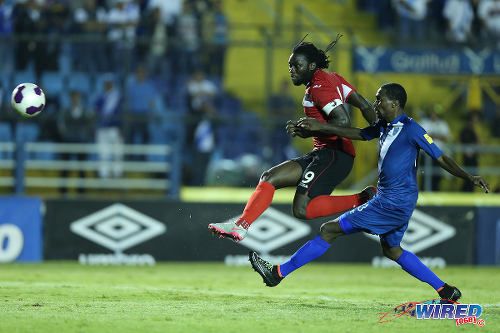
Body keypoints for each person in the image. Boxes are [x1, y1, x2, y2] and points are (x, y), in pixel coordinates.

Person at [249, 83, 490, 303]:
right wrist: (320, 128)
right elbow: (359, 134)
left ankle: (277, 273)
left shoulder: (411, 129)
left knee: (328, 229)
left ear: (394, 103)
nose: (375, 104)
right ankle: (446, 290)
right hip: (396, 200)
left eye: (379, 99)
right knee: (392, 250)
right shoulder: (383, 126)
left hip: (392, 201)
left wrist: (469, 177)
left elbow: (442, 158)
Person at [208, 35, 377, 242]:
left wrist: (314, 127)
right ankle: (241, 226)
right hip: (322, 152)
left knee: (301, 209)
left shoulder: (319, 86)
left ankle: (363, 198)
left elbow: (342, 121)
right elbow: (366, 105)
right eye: (290, 65)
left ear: (312, 65)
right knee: (269, 177)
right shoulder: (332, 79)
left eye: (297, 65)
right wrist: (383, 131)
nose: (292, 70)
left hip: (335, 154)